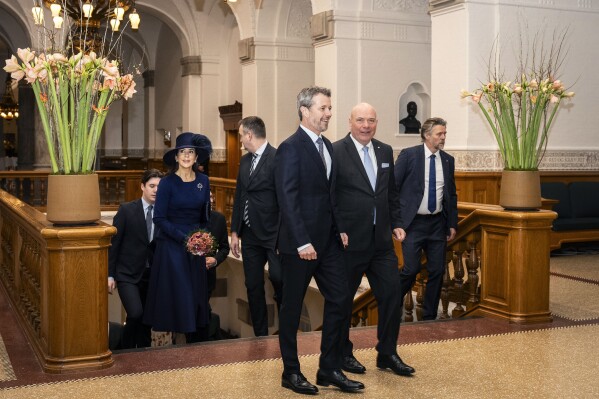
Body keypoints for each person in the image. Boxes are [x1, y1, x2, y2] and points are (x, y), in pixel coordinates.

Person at [275, 86, 364, 395]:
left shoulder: (326, 145)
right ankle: (291, 372)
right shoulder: (290, 147)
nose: (328, 113)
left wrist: (338, 227)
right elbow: (287, 198)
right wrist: (301, 241)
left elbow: (330, 195)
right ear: (305, 111)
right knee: (292, 308)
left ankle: (328, 368)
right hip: (299, 246)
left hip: (328, 243)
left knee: (341, 297)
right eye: (323, 108)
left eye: (329, 108)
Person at [332, 103, 415, 376]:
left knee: (392, 295)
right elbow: (330, 196)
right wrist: (339, 228)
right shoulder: (336, 151)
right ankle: (343, 353)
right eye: (360, 120)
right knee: (343, 301)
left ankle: (387, 353)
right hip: (349, 242)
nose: (366, 125)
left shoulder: (384, 150)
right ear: (350, 122)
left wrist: (398, 223)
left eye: (371, 120)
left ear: (376, 122)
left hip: (381, 243)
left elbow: (390, 192)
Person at [143, 132, 213, 343]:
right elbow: (159, 218)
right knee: (178, 298)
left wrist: (201, 240)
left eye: (190, 152)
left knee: (193, 299)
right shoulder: (166, 183)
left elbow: (205, 217)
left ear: (196, 157)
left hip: (195, 249)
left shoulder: (204, 181)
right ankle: (175, 351)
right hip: (172, 248)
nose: (186, 156)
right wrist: (185, 239)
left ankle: (189, 350)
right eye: (182, 152)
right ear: (176, 157)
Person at [394, 117, 458, 320]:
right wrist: (396, 222)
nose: (443, 137)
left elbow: (452, 195)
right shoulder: (409, 155)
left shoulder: (448, 160)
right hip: (413, 224)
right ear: (427, 135)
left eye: (445, 133)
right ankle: (391, 302)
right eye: (440, 133)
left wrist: (452, 224)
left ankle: (429, 316)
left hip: (437, 224)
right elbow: (393, 189)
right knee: (411, 269)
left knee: (437, 271)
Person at [230, 116, 282, 337]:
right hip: (249, 234)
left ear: (249, 134)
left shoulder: (278, 157)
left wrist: (284, 235)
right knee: (252, 286)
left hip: (274, 234)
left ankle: (285, 331)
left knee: (280, 280)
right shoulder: (244, 161)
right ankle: (261, 335)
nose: (240, 140)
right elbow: (240, 195)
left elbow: (285, 199)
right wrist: (234, 231)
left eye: (241, 135)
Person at [108, 169, 164, 349]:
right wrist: (110, 275)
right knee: (136, 313)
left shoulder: (165, 214)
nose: (156, 190)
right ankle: (123, 348)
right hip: (127, 275)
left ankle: (143, 356)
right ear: (142, 186)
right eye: (152, 186)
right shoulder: (126, 210)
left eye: (159, 187)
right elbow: (114, 246)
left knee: (147, 321)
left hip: (152, 276)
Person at [206, 191, 230, 300]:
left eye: (211, 197)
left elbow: (224, 248)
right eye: (207, 197)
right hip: (185, 277)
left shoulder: (219, 219)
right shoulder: (186, 219)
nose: (211, 200)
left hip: (207, 278)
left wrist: (215, 260)